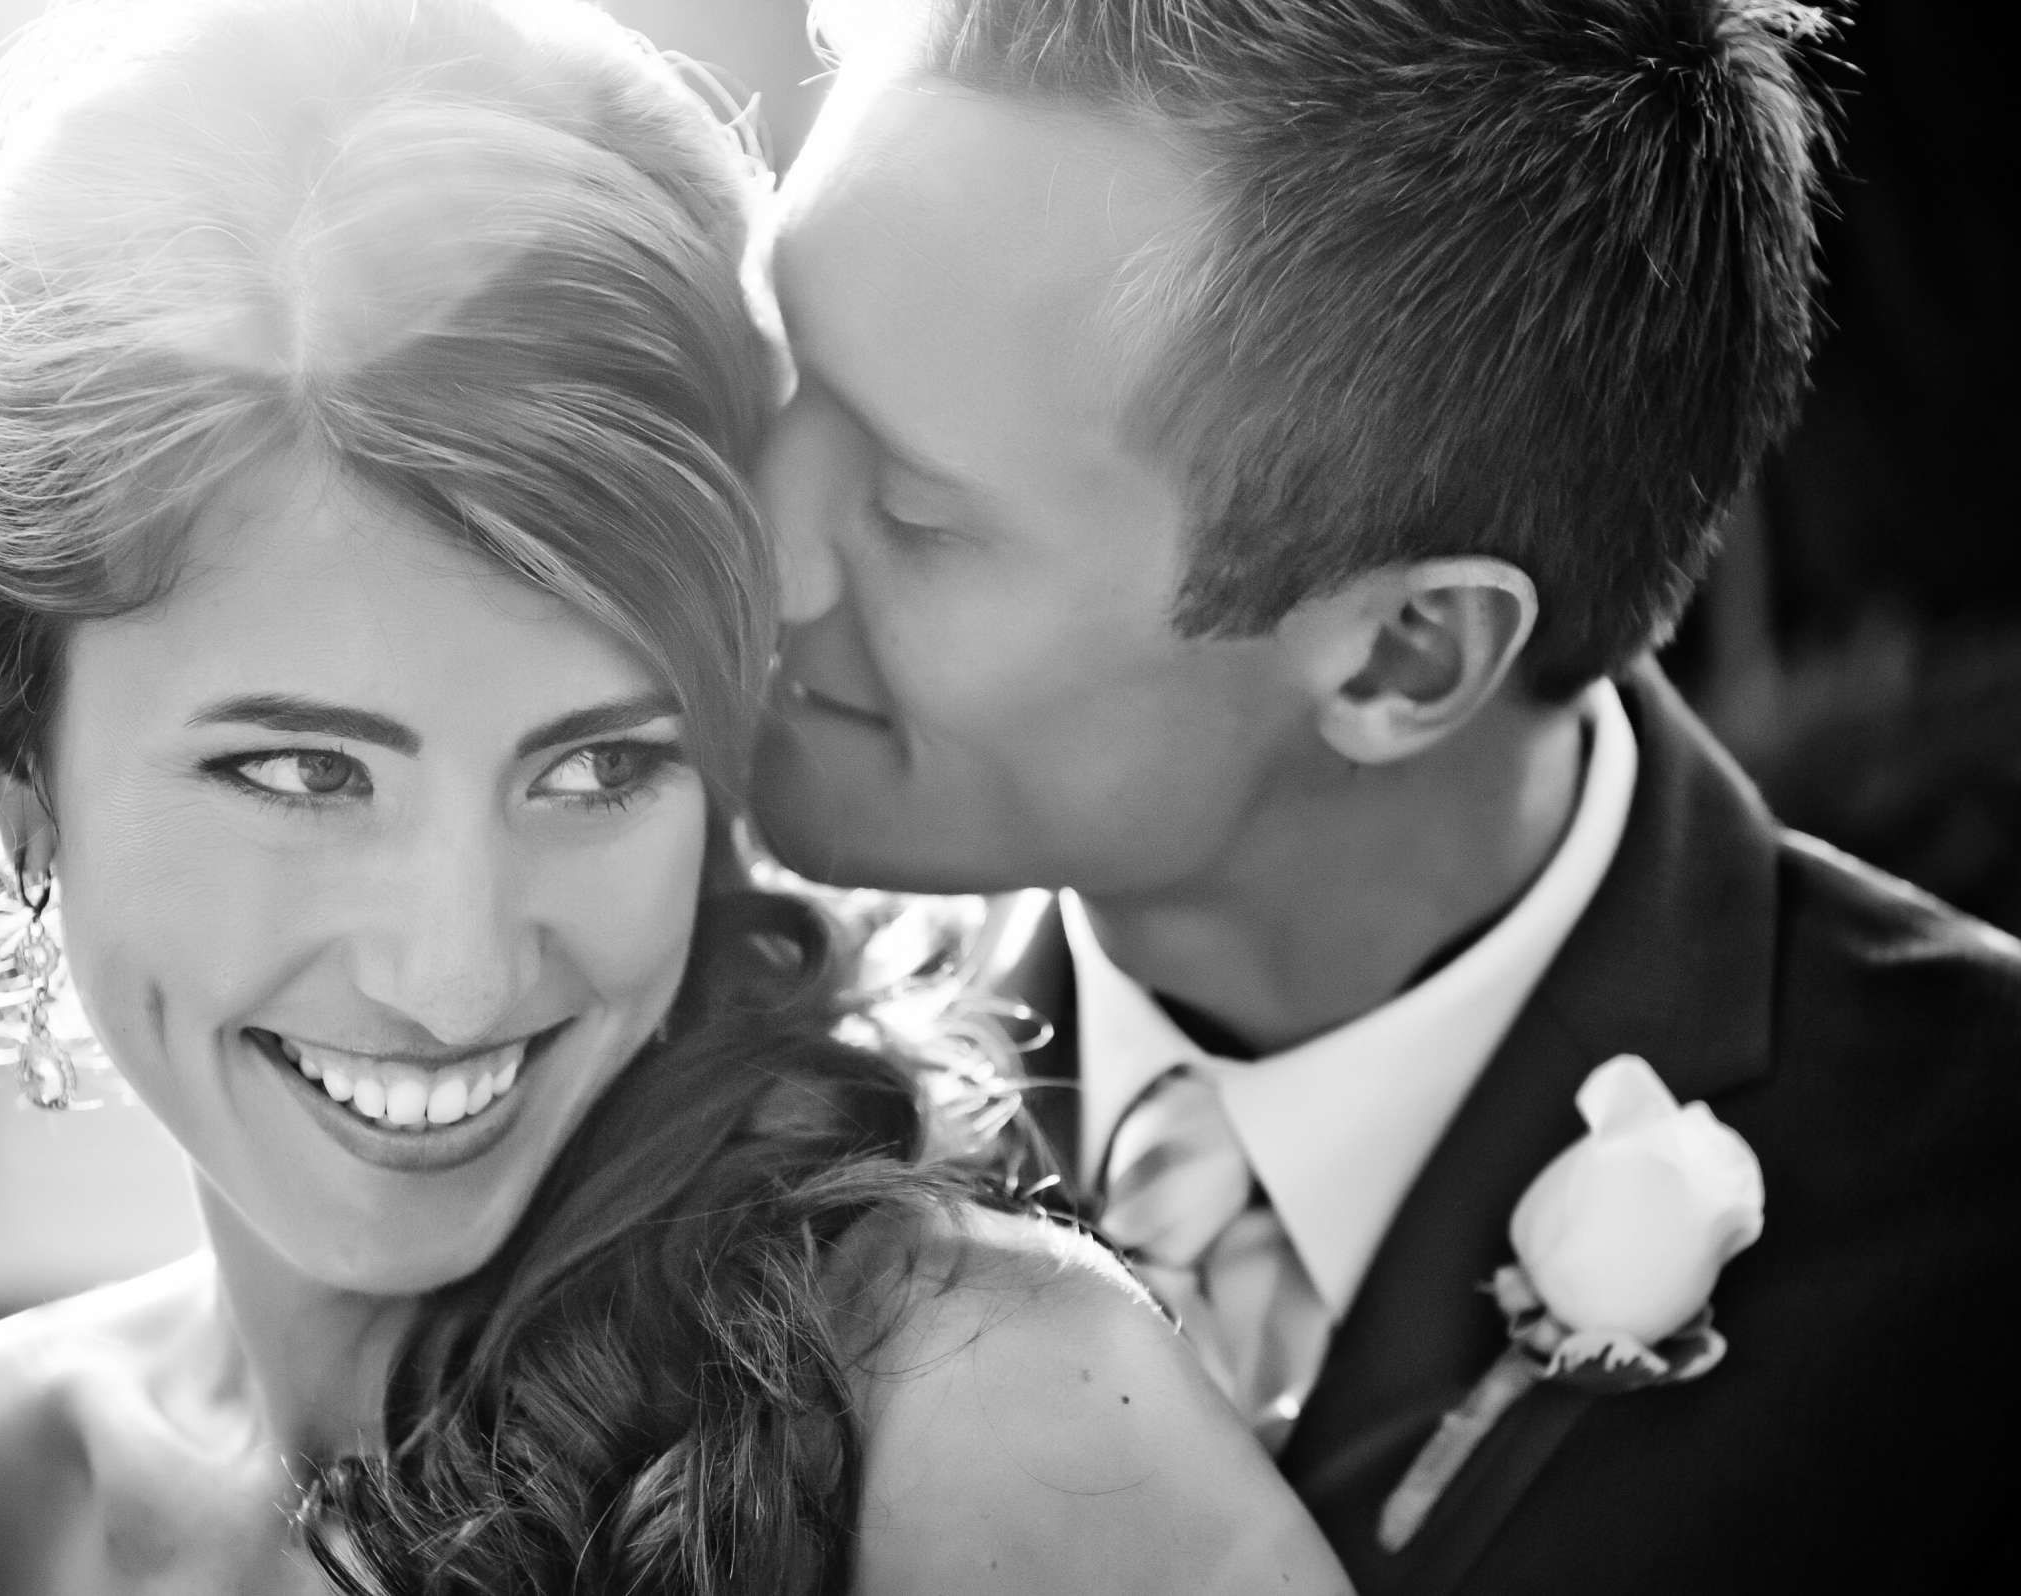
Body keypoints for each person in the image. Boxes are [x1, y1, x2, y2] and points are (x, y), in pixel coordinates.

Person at [0, 1, 1353, 1592]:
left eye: (600, 767)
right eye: (304, 773)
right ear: (7, 768)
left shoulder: (1000, 1432)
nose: (456, 976)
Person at [751, 1, 2021, 1591]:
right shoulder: (679, 1044)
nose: (751, 541)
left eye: (916, 516)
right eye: (768, 374)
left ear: (1407, 657)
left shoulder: (1973, 1243)